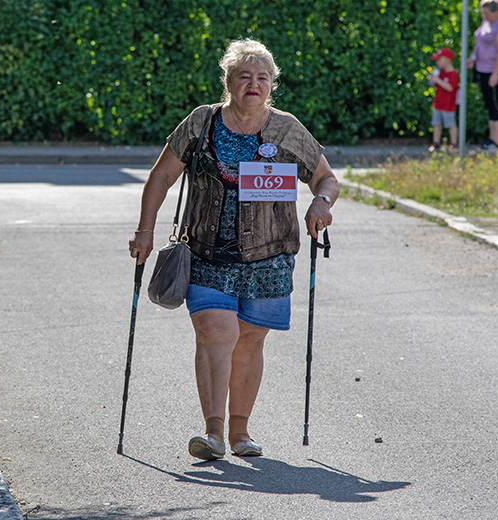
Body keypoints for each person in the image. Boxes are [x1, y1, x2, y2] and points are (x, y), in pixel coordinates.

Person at [128, 39, 339, 461]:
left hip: (268, 257)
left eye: (262, 77)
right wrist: (145, 231)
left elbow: (325, 179)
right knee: (214, 331)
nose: (253, 84)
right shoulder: (201, 123)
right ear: (228, 81)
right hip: (204, 251)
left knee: (249, 341)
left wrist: (321, 203)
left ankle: (241, 432)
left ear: (272, 85)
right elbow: (160, 177)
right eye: (244, 76)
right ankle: (214, 433)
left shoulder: (285, 129)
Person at [467, 0, 498, 153]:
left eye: (486, 13)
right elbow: (479, 42)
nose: (484, 15)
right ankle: (492, 139)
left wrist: (496, 73)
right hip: (483, 69)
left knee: (496, 104)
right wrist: (472, 58)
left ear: (496, 12)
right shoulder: (486, 23)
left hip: (496, 71)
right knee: (490, 104)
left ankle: (497, 143)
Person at [427, 48, 460, 153]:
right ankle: (436, 143)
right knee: (436, 124)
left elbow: (450, 87)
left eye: (439, 60)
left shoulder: (453, 74)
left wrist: (438, 80)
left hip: (448, 106)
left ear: (447, 59)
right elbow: (434, 86)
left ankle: (454, 144)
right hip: (438, 104)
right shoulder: (440, 73)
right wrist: (433, 80)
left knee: (451, 124)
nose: (437, 62)